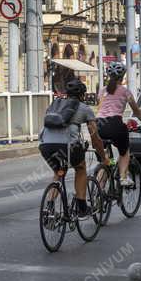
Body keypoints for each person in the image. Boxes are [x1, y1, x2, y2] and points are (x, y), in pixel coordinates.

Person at [40, 79, 109, 217]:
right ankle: (82, 207)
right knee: (81, 168)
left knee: (59, 171)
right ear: (82, 95)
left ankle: (49, 208)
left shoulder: (54, 105)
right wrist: (104, 158)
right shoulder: (85, 108)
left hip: (45, 145)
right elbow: (95, 138)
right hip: (67, 146)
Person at [96, 62, 141, 188]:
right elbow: (136, 111)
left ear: (108, 76)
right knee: (124, 152)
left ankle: (98, 192)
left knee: (106, 160)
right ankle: (123, 178)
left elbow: (100, 106)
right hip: (115, 124)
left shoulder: (102, 91)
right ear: (123, 77)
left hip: (98, 126)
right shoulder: (126, 92)